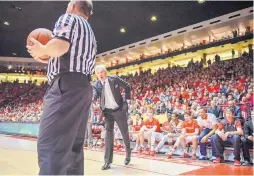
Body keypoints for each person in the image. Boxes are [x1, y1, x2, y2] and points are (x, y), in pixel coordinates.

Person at [27, 1, 96, 174]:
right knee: (73, 149)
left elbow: (60, 45)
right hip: (83, 88)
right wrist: (46, 53)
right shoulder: (90, 33)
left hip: (66, 86)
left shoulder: (68, 18)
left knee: (51, 146)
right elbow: (64, 52)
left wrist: (43, 48)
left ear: (73, 6)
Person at [93, 65, 131, 170]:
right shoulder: (96, 84)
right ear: (96, 75)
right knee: (108, 137)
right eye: (98, 73)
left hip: (119, 110)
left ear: (106, 72)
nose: (100, 74)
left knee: (124, 134)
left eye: (102, 72)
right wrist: (92, 99)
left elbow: (127, 86)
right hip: (107, 112)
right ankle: (107, 162)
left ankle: (128, 154)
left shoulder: (114, 79)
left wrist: (126, 102)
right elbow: (95, 95)